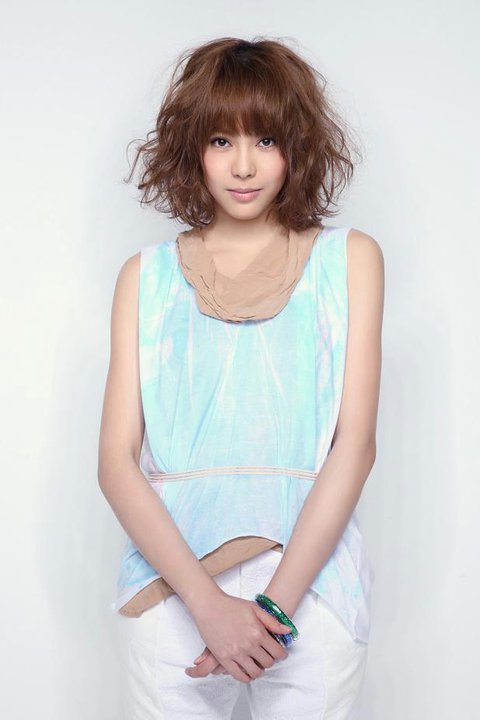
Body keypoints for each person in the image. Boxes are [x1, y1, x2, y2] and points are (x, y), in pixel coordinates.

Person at [98, 35, 384, 719]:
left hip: (312, 584)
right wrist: (209, 606)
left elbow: (355, 445)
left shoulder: (350, 261)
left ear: (297, 147)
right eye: (221, 140)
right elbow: (115, 463)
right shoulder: (145, 277)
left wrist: (273, 609)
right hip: (172, 586)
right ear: (192, 148)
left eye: (266, 139)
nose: (245, 165)